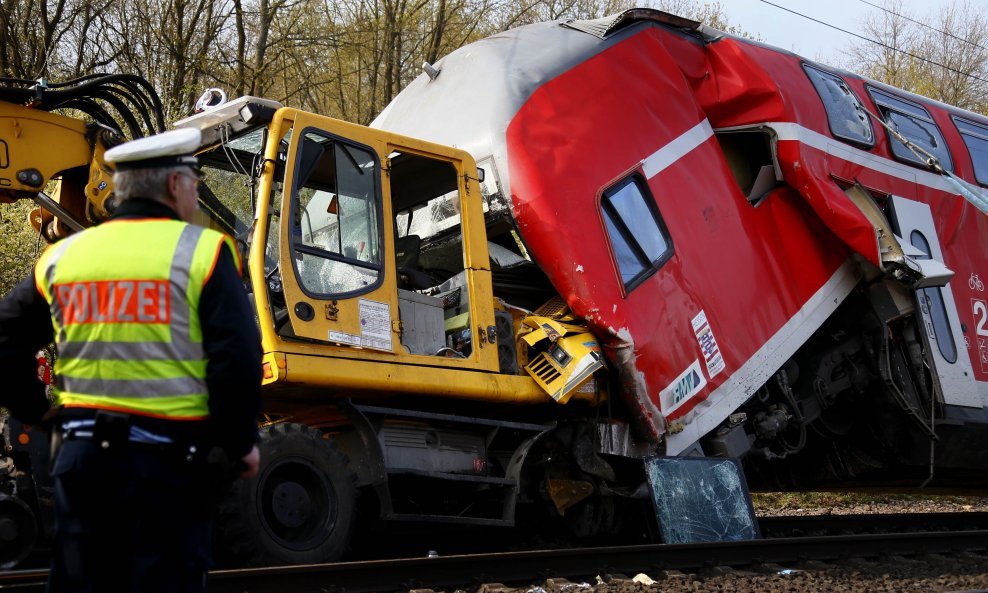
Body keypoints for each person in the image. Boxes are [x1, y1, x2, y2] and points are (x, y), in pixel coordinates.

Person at [0, 127, 262, 593]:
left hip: (82, 465)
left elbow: (4, 339)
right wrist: (239, 442)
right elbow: (236, 358)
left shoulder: (63, 258)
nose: (196, 194)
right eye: (194, 183)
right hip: (171, 467)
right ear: (173, 186)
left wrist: (34, 411)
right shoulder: (203, 253)